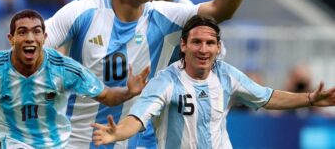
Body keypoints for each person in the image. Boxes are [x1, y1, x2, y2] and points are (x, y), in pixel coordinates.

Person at [45, 0, 266, 148]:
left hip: (149, 126)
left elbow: (208, 72)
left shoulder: (187, 20)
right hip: (82, 124)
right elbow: (72, 35)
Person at [91, 15, 335, 149]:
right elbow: (137, 118)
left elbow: (267, 97)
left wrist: (311, 98)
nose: (203, 49)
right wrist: (117, 133)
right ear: (184, 46)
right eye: (196, 42)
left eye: (210, 43)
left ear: (218, 47)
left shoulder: (226, 74)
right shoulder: (166, 81)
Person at [0, 9, 150, 148]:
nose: (30, 38)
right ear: (11, 39)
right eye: (22, 32)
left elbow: (106, 95)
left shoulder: (64, 68)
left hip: (56, 142)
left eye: (36, 32)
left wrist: (129, 91)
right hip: (9, 138)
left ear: (44, 37)